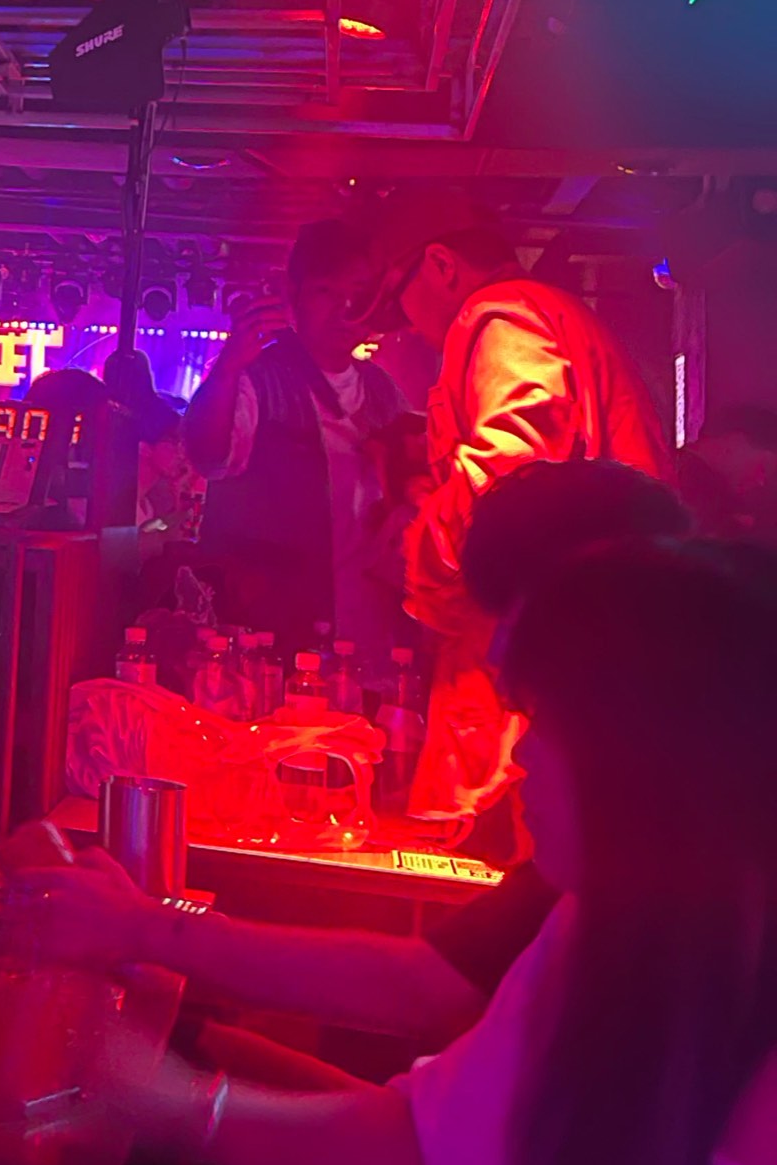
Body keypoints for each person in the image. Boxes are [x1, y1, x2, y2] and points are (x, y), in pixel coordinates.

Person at [64, 536, 777, 1165]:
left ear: (647, 755)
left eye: (551, 721)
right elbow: (436, 1145)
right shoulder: (604, 925)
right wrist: (170, 1103)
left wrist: (171, 1080)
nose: (519, 754)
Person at [41, 459, 692, 1053]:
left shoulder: (689, 901)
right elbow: (430, 1001)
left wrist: (147, 935)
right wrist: (179, 1043)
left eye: (518, 634)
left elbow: (421, 1010)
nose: (498, 665)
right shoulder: (617, 847)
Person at [374, 190, 671, 818]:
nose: (403, 321)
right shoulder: (543, 312)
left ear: (441, 265)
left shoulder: (501, 315)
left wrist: (423, 555)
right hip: (587, 639)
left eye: (400, 295)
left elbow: (509, 476)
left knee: (526, 848)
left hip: (549, 651)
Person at [184, 220, 409, 684]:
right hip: (272, 630)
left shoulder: (383, 392)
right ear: (294, 294)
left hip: (368, 632)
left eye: (359, 294)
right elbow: (209, 456)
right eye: (326, 292)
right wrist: (228, 368)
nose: (345, 310)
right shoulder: (260, 377)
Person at [681, 403, 777, 544]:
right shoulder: (676, 482)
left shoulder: (721, 512)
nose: (760, 482)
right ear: (736, 442)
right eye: (761, 469)